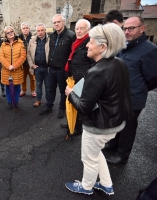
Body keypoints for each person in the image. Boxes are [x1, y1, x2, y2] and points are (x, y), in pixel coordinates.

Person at [64, 23, 132, 195]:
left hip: (98, 126)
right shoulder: (120, 63)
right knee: (96, 153)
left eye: (91, 42)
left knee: (88, 158)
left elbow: (84, 108)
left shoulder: (97, 71)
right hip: (115, 121)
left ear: (103, 47)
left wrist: (70, 93)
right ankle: (107, 184)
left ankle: (86, 187)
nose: (87, 44)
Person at [104, 16, 157, 165]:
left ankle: (122, 155)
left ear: (142, 28)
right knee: (117, 122)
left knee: (128, 127)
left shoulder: (150, 50)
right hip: (117, 96)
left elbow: (153, 78)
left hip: (133, 98)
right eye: (125, 28)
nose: (127, 31)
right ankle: (113, 144)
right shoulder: (124, 45)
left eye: (131, 28)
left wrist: (138, 89)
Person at [60, 19, 93, 135]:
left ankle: (77, 127)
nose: (78, 31)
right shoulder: (76, 41)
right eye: (77, 28)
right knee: (71, 101)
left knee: (78, 104)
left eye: (82, 28)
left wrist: (86, 78)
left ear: (88, 30)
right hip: (73, 77)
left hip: (82, 80)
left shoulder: (90, 43)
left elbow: (93, 64)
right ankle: (71, 123)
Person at [39, 14, 75, 118]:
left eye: (58, 22)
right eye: (54, 22)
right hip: (52, 68)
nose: (56, 24)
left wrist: (70, 69)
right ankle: (49, 106)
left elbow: (73, 53)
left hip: (63, 69)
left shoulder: (70, 35)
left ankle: (62, 109)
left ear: (63, 22)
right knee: (50, 89)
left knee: (63, 90)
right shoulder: (52, 35)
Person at [0, 26, 26, 110]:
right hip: (6, 71)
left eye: (11, 31)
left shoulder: (20, 43)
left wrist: (14, 66)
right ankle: (9, 102)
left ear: (14, 32)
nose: (10, 33)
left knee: (17, 87)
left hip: (17, 70)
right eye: (8, 32)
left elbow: (23, 56)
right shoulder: (3, 45)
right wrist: (8, 66)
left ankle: (16, 101)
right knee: (8, 88)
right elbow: (1, 57)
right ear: (5, 35)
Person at [27, 23, 49, 107]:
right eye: (38, 31)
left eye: (42, 30)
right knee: (38, 85)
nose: (40, 32)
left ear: (45, 30)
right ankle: (38, 100)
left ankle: (48, 101)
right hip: (37, 68)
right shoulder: (32, 40)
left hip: (47, 67)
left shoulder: (49, 40)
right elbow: (28, 54)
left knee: (48, 86)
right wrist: (31, 65)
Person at [19, 22, 36, 97]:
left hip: (31, 61)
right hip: (22, 62)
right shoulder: (19, 38)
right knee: (23, 77)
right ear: (21, 30)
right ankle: (23, 90)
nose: (25, 30)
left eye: (27, 28)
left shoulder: (33, 38)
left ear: (29, 29)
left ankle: (33, 90)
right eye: (24, 28)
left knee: (32, 77)